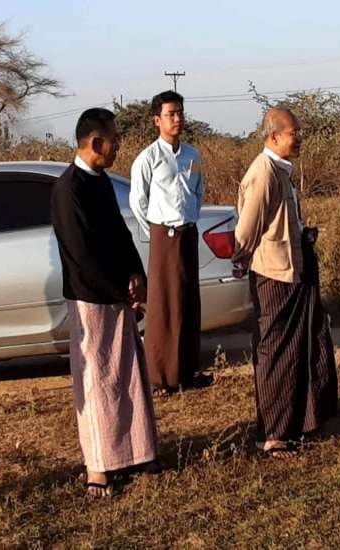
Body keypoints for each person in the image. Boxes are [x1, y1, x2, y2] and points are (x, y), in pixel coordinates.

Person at [51, 108, 158, 497]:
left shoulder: (100, 182)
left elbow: (120, 235)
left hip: (117, 295)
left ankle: (134, 453)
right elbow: (81, 254)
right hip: (91, 299)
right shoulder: (69, 189)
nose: (118, 146)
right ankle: (98, 467)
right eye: (115, 139)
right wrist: (118, 289)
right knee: (97, 384)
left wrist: (137, 274)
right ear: (96, 142)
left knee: (127, 377)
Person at [233, 108, 338, 459]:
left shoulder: (281, 169)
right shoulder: (263, 173)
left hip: (294, 268)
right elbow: (247, 228)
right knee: (276, 351)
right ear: (274, 136)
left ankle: (302, 420)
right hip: (274, 273)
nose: (299, 138)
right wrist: (240, 259)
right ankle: (274, 434)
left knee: (304, 343)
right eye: (294, 133)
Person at [130, 90, 207, 396]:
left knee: (188, 301)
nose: (177, 119)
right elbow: (138, 201)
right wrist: (158, 232)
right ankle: (161, 377)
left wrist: (190, 219)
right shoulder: (148, 158)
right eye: (170, 114)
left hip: (188, 232)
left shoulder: (192, 156)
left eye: (180, 113)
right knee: (163, 304)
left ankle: (187, 371)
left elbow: (198, 192)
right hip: (164, 235)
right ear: (157, 120)